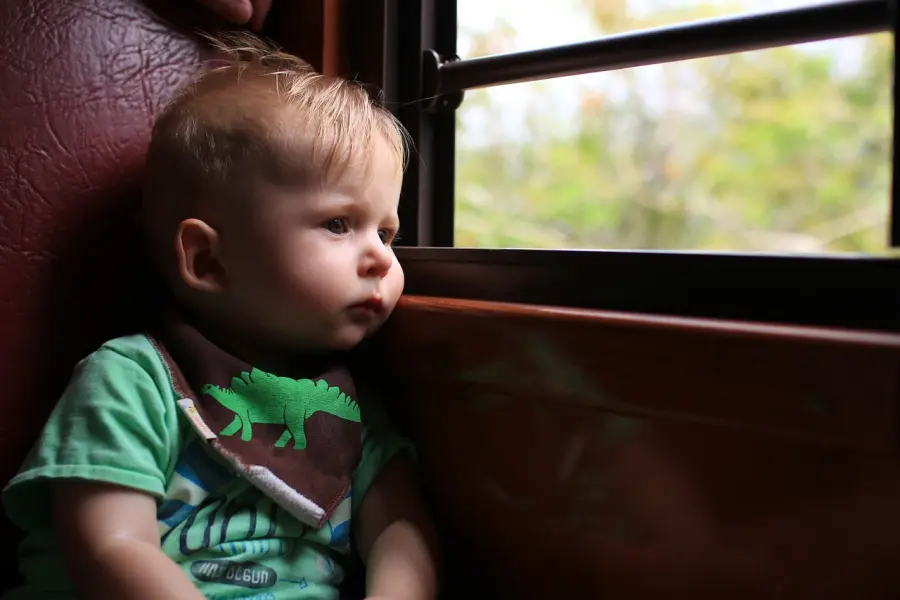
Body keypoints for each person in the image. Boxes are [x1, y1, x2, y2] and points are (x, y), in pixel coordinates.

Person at [1, 33, 437, 600]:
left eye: (386, 232)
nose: (382, 257)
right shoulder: (132, 381)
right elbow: (110, 546)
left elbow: (403, 532)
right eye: (337, 224)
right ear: (208, 261)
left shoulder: (349, 409)